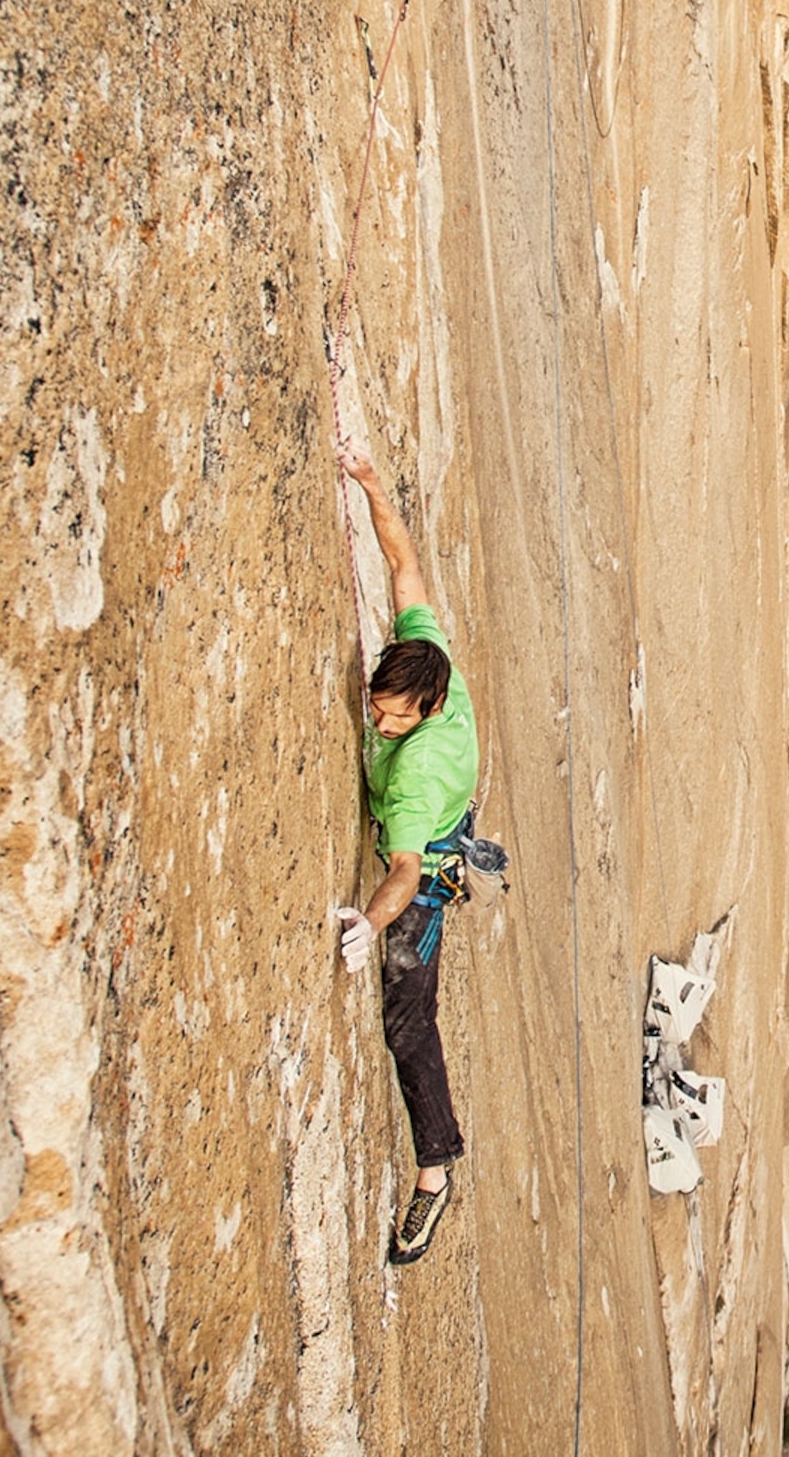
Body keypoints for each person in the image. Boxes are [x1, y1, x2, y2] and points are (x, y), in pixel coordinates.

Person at [331, 435, 479, 1264]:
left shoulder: (416, 774)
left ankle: (434, 1171)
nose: (379, 722)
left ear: (424, 711)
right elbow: (404, 566)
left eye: (390, 717)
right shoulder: (430, 657)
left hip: (424, 857)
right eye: (374, 708)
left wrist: (367, 924)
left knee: (405, 1015)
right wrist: (369, 482)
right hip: (435, 825)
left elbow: (403, 870)